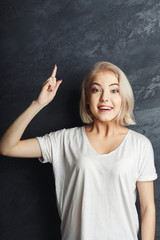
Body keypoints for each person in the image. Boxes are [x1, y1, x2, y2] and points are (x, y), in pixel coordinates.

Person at [0, 62, 158, 240]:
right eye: (96, 90)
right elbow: (8, 147)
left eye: (114, 90)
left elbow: (147, 209)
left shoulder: (140, 145)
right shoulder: (64, 140)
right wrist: (38, 104)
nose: (105, 98)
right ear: (87, 98)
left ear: (124, 97)